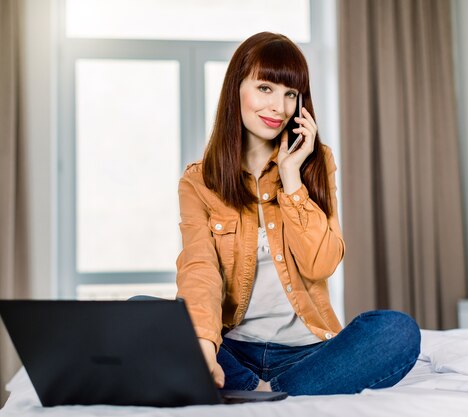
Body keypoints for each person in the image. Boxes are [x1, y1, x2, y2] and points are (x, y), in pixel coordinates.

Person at [175, 32, 420, 395]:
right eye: (265, 88)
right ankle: (269, 389)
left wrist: (292, 179)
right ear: (235, 89)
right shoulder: (199, 180)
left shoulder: (317, 163)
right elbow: (200, 269)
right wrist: (205, 350)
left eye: (291, 94)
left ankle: (266, 391)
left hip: (308, 352)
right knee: (143, 310)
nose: (279, 107)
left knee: (397, 330)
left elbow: (321, 264)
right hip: (234, 351)